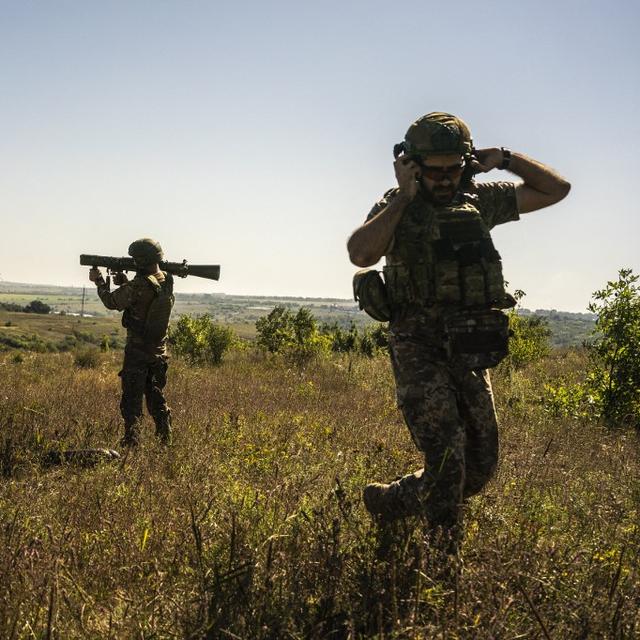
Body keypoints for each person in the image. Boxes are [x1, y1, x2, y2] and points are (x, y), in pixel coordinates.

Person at [347, 112, 570, 548]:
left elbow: (555, 190)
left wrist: (505, 158)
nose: (445, 179)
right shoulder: (396, 205)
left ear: (466, 164)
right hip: (418, 346)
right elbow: (360, 253)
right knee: (447, 460)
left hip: (469, 345)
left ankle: (391, 502)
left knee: (479, 465)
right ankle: (442, 569)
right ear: (412, 165)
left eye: (454, 168)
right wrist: (402, 198)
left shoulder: (480, 200)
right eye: (435, 170)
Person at [89, 238, 175, 447]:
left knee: (131, 402)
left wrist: (99, 281)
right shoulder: (166, 280)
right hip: (159, 352)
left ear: (141, 260)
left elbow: (111, 301)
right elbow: (145, 294)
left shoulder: (138, 285)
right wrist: (126, 282)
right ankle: (166, 438)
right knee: (156, 398)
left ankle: (132, 443)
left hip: (138, 352)